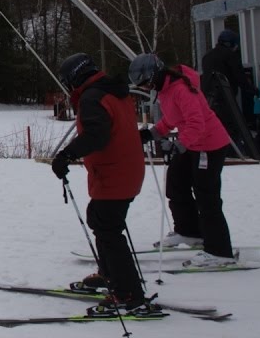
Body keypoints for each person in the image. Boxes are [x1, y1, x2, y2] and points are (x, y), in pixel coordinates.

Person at [52, 53, 151, 316]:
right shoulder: (111, 91)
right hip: (122, 170)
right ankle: (110, 276)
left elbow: (97, 135)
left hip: (115, 172)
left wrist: (66, 154)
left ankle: (128, 294)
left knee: (108, 230)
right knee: (100, 220)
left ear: (75, 77)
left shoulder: (93, 97)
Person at [130, 53, 237, 268]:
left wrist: (179, 145)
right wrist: (152, 134)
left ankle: (220, 251)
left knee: (207, 196)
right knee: (176, 183)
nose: (145, 88)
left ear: (155, 75)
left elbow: (197, 123)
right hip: (193, 144)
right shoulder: (166, 89)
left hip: (209, 145)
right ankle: (189, 231)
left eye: (146, 83)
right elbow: (172, 118)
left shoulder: (181, 89)